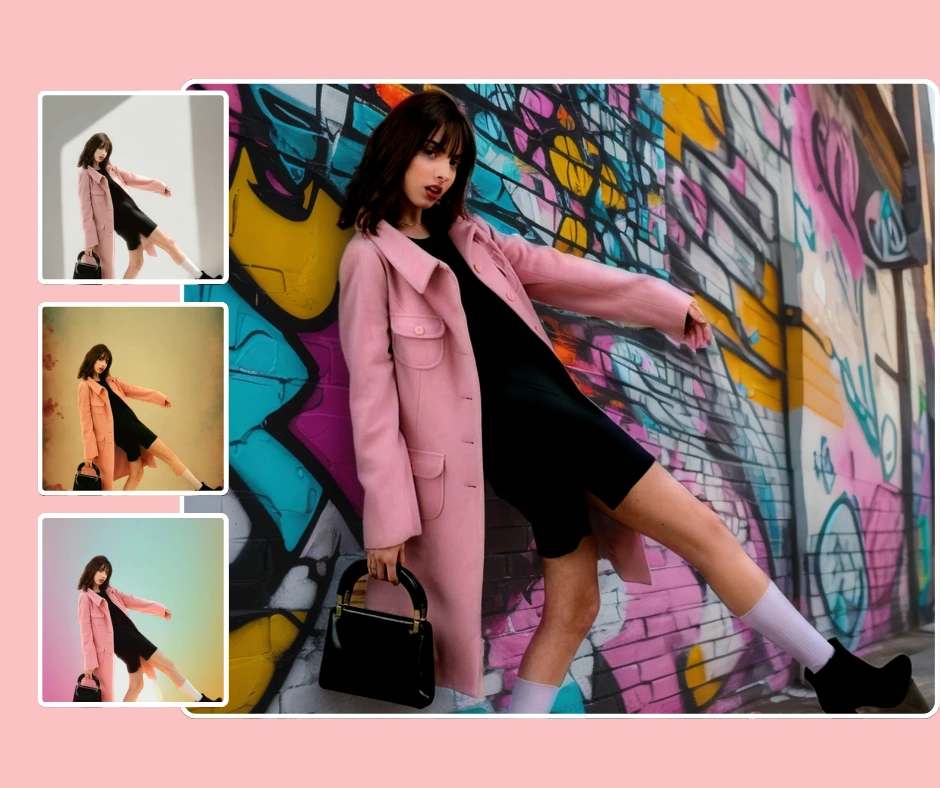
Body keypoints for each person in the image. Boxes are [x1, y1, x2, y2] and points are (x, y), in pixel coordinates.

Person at [334, 90, 922, 715]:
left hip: (542, 424)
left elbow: (564, 273)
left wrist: (666, 305)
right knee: (704, 530)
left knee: (576, 602)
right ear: (397, 151)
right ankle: (834, 671)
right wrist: (389, 519)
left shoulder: (474, 238)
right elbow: (372, 398)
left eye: (454, 161)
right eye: (430, 154)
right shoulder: (371, 260)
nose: (443, 173)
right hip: (531, 428)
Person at [76, 344, 221, 492]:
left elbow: (134, 390)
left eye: (106, 361)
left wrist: (159, 397)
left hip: (130, 426)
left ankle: (119, 508)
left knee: (137, 473)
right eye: (100, 359)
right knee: (168, 454)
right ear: (92, 358)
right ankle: (202, 490)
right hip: (127, 429)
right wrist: (89, 452)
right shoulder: (85, 386)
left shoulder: (111, 381)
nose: (103, 364)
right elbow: (85, 421)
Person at [76, 555, 221, 703]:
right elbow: (85, 633)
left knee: (137, 685)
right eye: (100, 571)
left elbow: (133, 601)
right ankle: (202, 700)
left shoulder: (111, 592)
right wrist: (89, 663)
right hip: (125, 640)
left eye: (106, 572)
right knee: (169, 666)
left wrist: (159, 609)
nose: (103, 575)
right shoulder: (85, 598)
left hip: (129, 637)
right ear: (92, 570)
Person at [77, 132, 219, 280]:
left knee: (137, 263)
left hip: (131, 213)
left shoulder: (111, 169)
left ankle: (118, 296)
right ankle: (202, 278)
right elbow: (86, 210)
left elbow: (135, 179)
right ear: (92, 147)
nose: (103, 153)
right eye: (100, 148)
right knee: (169, 243)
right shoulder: (85, 175)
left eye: (106, 149)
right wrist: (89, 241)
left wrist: (160, 186)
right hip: (123, 220)